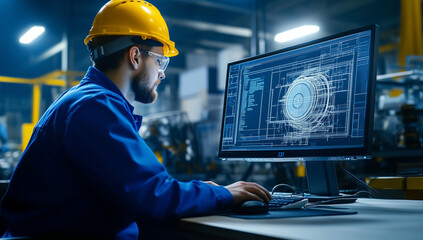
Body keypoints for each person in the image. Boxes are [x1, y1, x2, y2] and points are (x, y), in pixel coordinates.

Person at [0, 0, 271, 239]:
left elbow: (140, 186)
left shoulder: (84, 100)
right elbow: (152, 195)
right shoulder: (95, 106)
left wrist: (199, 191)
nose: (162, 74)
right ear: (135, 56)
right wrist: (223, 194)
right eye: (160, 62)